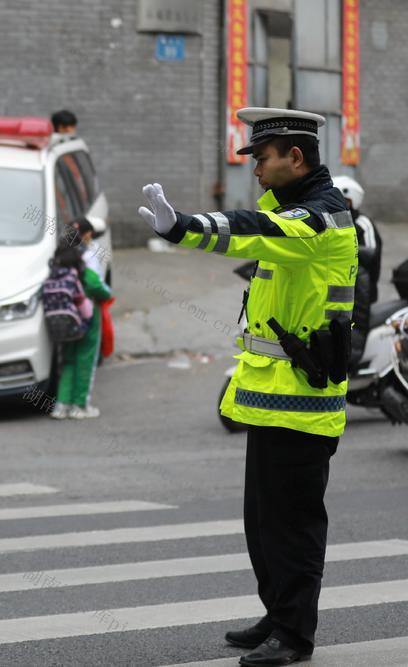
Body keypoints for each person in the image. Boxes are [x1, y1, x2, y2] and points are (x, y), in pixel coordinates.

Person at [137, 107, 357, 666]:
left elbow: (250, 232)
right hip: (270, 399)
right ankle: (277, 613)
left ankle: (295, 634)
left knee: (294, 527)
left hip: (303, 403)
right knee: (263, 524)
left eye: (261, 158)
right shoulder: (287, 211)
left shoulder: (319, 221)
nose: (255, 169)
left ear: (295, 157)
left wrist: (183, 226)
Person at [47, 223, 111, 419]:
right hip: (87, 320)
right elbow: (101, 290)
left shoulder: (56, 267)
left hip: (63, 322)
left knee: (68, 361)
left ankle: (62, 405)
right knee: (85, 361)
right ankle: (80, 406)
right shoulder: (83, 269)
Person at [332, 175, 381, 366]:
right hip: (340, 289)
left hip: (361, 290)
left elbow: (372, 258)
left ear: (352, 200)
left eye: (343, 199)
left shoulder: (363, 224)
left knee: (354, 330)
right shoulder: (335, 220)